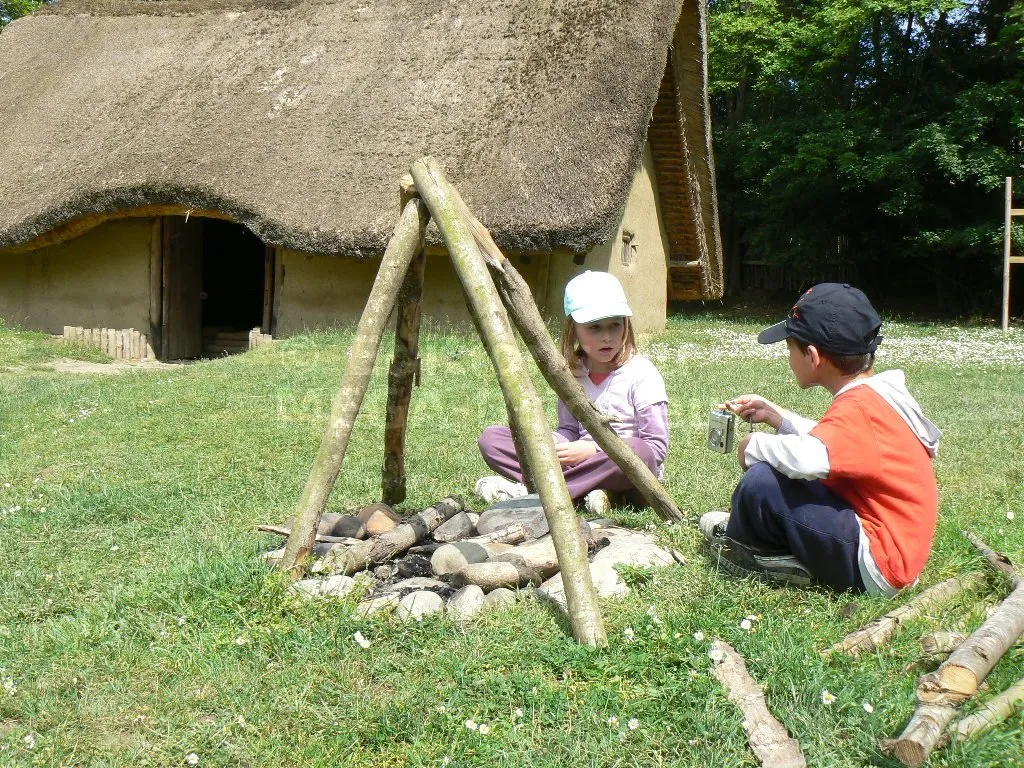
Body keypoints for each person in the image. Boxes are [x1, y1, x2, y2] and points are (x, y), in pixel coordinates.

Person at [700, 283, 941, 596]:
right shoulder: (876, 398)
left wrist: (753, 445)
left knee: (762, 482)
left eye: (790, 347)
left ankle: (755, 552)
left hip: (878, 565)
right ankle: (778, 547)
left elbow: (807, 460)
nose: (788, 355)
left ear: (812, 356)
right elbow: (835, 445)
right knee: (787, 476)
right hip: (895, 550)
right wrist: (777, 417)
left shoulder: (859, 408)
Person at [477, 271, 669, 515]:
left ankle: (538, 492)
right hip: (577, 466)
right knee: (492, 439)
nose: (607, 337)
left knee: (638, 450)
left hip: (628, 474)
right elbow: (569, 429)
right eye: (594, 327)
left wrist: (594, 451)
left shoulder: (642, 374)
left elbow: (655, 448)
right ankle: (586, 492)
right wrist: (554, 444)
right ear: (573, 329)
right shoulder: (572, 373)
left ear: (625, 324)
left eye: (615, 325)